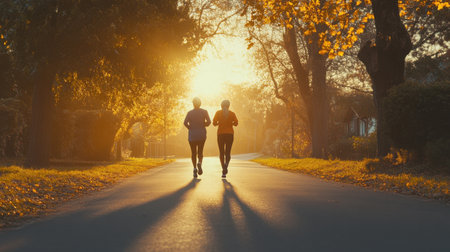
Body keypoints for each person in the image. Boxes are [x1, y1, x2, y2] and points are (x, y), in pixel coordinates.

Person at [184, 97, 211, 178]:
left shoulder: (189, 113)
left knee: (193, 153)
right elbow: (209, 122)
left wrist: (190, 128)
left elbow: (185, 123)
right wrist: (203, 125)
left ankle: (195, 168)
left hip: (192, 135)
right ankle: (199, 162)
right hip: (201, 135)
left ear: (193, 104)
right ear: (200, 103)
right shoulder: (204, 112)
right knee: (200, 152)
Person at [213, 100, 238, 178]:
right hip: (230, 134)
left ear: (221, 105)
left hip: (220, 134)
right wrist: (232, 123)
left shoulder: (218, 113)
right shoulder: (232, 114)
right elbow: (236, 123)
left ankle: (223, 168)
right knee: (228, 152)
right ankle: (226, 165)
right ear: (228, 106)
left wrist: (219, 123)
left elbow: (214, 123)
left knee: (221, 152)